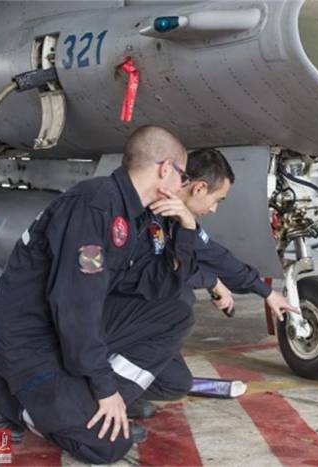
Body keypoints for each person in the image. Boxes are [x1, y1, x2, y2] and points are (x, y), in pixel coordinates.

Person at [0, 126, 202, 464]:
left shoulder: (135, 215)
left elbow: (159, 287)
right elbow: (74, 304)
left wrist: (187, 230)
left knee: (178, 313)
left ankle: (94, 403)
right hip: (29, 339)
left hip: (65, 329)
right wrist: (104, 388)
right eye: (181, 176)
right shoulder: (93, 207)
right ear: (165, 168)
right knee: (106, 445)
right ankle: (1, 391)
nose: (181, 187)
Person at [126, 147, 298, 416]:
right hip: (109, 316)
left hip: (132, 320)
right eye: (217, 199)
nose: (215, 209)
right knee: (180, 303)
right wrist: (212, 281)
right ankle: (97, 390)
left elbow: (216, 256)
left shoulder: (177, 217)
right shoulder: (148, 211)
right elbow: (160, 271)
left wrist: (266, 292)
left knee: (175, 384)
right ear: (199, 188)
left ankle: (122, 389)